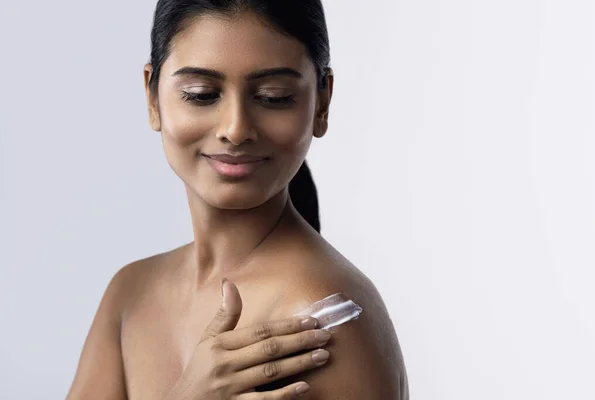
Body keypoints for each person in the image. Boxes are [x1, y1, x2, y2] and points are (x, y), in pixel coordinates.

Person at [66, 0, 409, 398]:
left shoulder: (324, 319)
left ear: (322, 102)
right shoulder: (130, 294)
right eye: (201, 94)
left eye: (274, 96)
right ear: (152, 96)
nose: (236, 129)